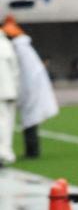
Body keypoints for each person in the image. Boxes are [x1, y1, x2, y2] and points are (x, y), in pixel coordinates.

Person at [3, 16, 59, 158]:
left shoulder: (18, 48)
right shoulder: (20, 47)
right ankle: (30, 150)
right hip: (24, 87)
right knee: (28, 119)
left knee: (29, 120)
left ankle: (31, 151)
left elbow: (21, 72)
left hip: (27, 87)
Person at [0, 18, 19, 167]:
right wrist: (16, 88)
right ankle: (5, 153)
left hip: (6, 90)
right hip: (8, 90)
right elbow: (15, 71)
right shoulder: (6, 45)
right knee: (6, 122)